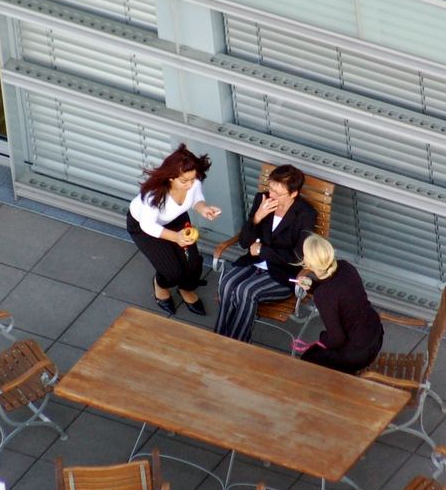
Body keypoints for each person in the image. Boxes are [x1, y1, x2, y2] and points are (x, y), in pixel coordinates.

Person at [214, 164, 316, 342]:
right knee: (227, 284)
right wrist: (257, 217)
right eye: (270, 189)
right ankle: (218, 340)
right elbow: (245, 242)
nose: (271, 195)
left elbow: (297, 258)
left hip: (282, 274)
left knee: (245, 291)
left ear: (293, 194)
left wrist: (263, 250)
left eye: (278, 193)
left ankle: (236, 345)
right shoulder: (262, 199)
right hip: (252, 262)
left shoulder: (305, 214)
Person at [127, 143, 221, 315]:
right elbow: (147, 225)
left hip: (175, 219)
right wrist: (175, 237)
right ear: (171, 177)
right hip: (145, 227)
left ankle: (186, 289)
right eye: (184, 181)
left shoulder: (193, 181)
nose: (190, 184)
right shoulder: (154, 195)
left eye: (193, 179)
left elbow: (196, 197)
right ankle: (160, 284)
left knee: (192, 263)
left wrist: (202, 208)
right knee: (172, 271)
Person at [296, 233, 383, 373]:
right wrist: (313, 286)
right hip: (375, 335)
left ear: (309, 263)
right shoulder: (345, 267)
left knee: (308, 360)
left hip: (359, 354)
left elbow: (337, 339)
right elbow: (337, 290)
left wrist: (321, 340)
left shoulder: (323, 295)